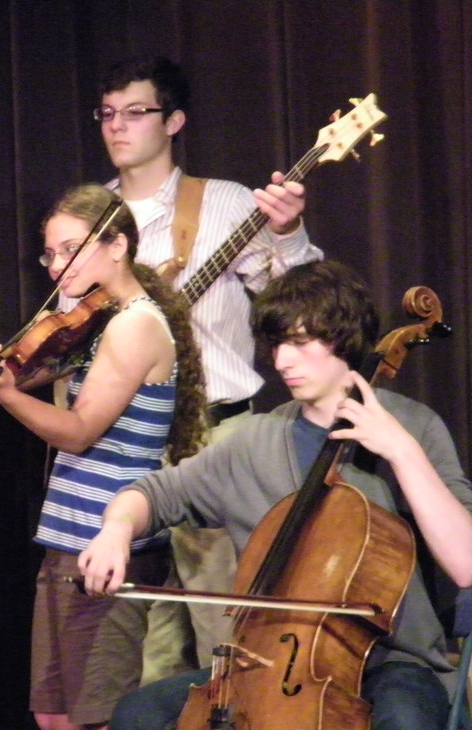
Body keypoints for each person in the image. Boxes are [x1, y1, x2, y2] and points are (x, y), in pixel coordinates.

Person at [78, 260, 472, 730]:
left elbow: (467, 562)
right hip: (266, 666)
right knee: (138, 719)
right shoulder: (253, 442)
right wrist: (116, 529)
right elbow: (154, 494)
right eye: (276, 344)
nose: (282, 359)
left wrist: (401, 454)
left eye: (300, 342)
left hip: (391, 664)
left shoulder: (413, 427)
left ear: (345, 339)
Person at [0, 183, 205, 730]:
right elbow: (27, 371)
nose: (57, 267)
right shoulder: (95, 322)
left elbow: (80, 430)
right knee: (55, 715)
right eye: (50, 254)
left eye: (70, 250)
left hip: (106, 544)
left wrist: (2, 394)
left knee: (103, 721)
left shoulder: (135, 324)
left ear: (118, 247)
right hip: (67, 540)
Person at [88, 54, 325, 671]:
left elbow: (299, 304)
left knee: (224, 631)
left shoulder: (222, 204)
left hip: (215, 434)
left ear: (174, 121)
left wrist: (289, 233)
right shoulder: (91, 219)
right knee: (143, 649)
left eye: (135, 112)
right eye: (108, 113)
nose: (117, 126)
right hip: (125, 445)